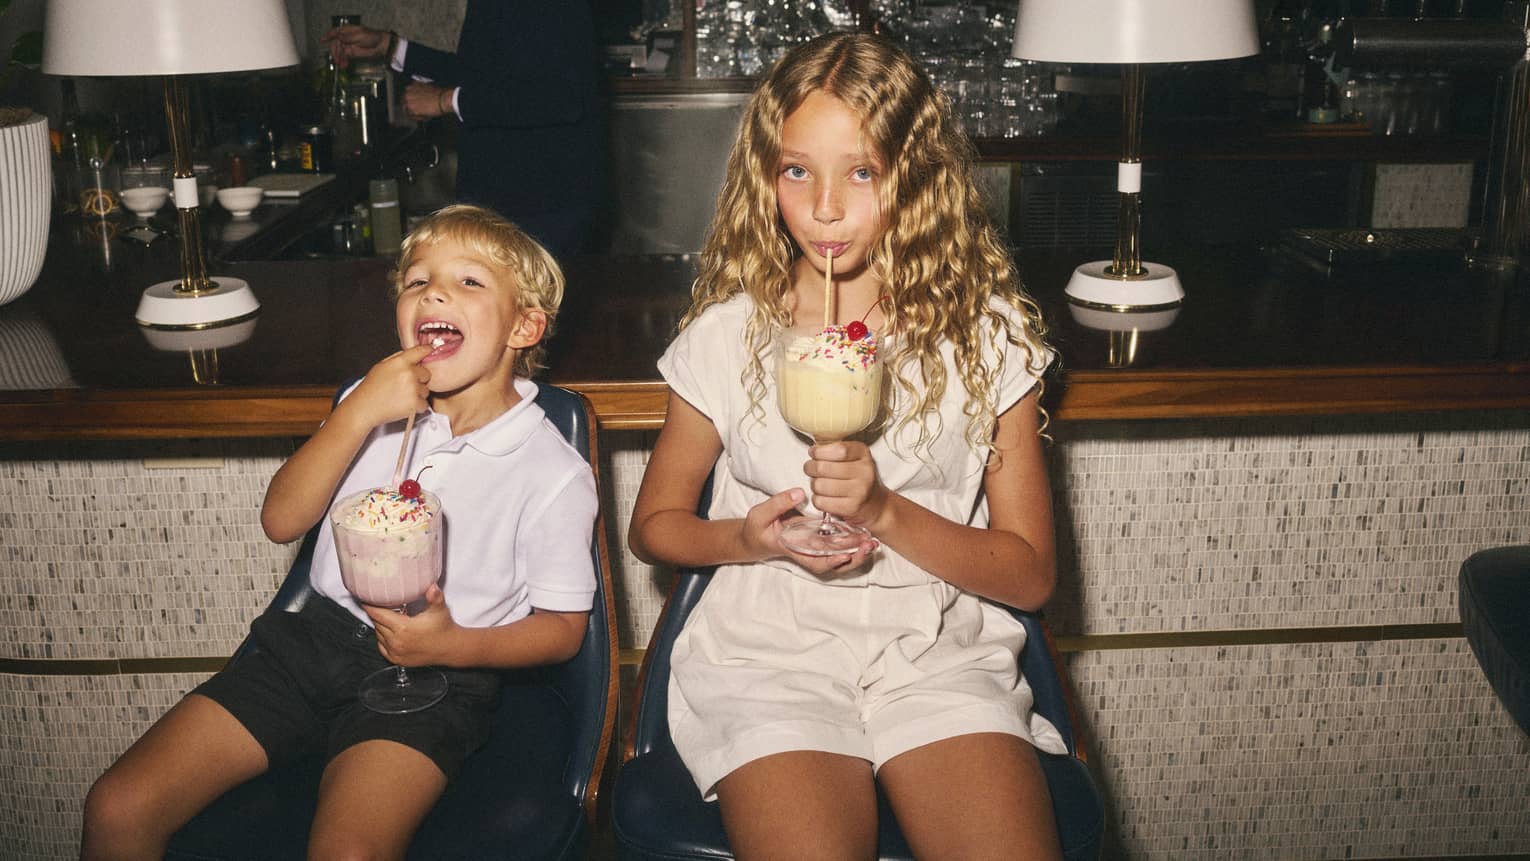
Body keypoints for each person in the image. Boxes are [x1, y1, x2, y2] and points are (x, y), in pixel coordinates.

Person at [627, 32, 1068, 860]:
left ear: (917, 175)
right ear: (767, 176)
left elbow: (1031, 573)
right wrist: (744, 537)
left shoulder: (987, 340)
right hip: (771, 651)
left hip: (932, 648)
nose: (825, 206)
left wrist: (883, 509)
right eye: (798, 170)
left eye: (860, 170)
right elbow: (653, 525)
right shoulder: (727, 339)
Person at [80, 204, 599, 859]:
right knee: (118, 804)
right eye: (416, 281)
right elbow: (280, 520)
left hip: (436, 676)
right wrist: (356, 413)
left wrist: (451, 642)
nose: (433, 290)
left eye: (469, 281)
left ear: (524, 325)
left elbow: (563, 630)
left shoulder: (550, 468)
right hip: (310, 644)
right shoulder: (369, 404)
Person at [321, 2, 603, 259]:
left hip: (541, 208)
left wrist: (446, 100)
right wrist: (390, 47)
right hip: (510, 205)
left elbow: (560, 98)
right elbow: (484, 75)